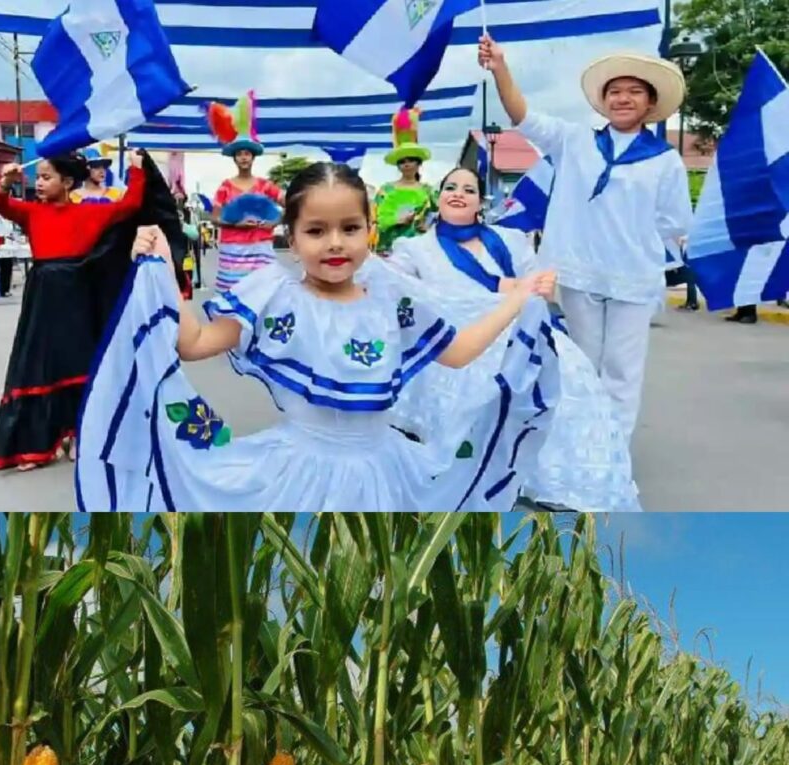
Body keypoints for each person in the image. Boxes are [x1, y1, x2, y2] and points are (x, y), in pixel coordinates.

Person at [76, 162, 561, 512]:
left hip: (386, 473)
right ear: (290, 234)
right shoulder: (272, 294)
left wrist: (518, 302)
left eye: (349, 228)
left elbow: (457, 353)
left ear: (370, 231)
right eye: (316, 230)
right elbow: (195, 342)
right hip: (296, 473)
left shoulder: (391, 297)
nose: (334, 243)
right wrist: (161, 265)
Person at [386, 166, 640, 511]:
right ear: (439, 196)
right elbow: (396, 285)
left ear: (480, 202)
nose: (458, 193)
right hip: (464, 335)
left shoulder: (508, 239)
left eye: (468, 189)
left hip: (518, 325)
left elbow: (536, 282)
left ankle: (556, 474)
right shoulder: (416, 248)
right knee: (485, 376)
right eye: (450, 187)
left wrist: (537, 288)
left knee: (570, 373)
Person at [479, 34, 692, 446]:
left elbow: (673, 221)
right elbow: (523, 117)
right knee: (582, 366)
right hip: (579, 275)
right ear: (602, 100)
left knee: (622, 373)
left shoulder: (665, 160)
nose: (623, 98)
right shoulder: (574, 141)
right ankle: (577, 452)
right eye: (615, 91)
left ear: (650, 104)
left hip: (632, 280)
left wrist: (630, 241)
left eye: (634, 92)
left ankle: (611, 457)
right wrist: (501, 67)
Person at [0, 150, 152, 471]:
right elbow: (0, 205)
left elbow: (130, 206)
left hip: (78, 295)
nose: (39, 183)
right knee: (40, 363)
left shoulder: (90, 213)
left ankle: (80, 432)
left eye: (47, 177)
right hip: (43, 296)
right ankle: (37, 442)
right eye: (39, 177)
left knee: (80, 362)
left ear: (67, 182)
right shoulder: (33, 212)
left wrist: (136, 170)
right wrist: (5, 182)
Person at [208, 91, 284, 292]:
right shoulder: (225, 186)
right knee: (233, 295)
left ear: (253, 158)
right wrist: (236, 223)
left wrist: (275, 222)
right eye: (239, 154)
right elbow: (214, 217)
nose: (243, 158)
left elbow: (291, 203)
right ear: (234, 158)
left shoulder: (265, 185)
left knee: (263, 293)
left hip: (261, 249)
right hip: (233, 251)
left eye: (247, 154)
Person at [373, 109, 438, 253]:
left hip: (420, 250)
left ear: (419, 163)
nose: (407, 164)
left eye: (411, 160)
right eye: (402, 161)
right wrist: (396, 220)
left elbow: (440, 216)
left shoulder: (428, 191)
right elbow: (375, 220)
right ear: (398, 165)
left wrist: (429, 227)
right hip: (389, 249)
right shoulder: (386, 190)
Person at [0, 208, 23, 297]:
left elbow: (11, 232)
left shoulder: (8, 221)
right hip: (0, 247)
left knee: (9, 268)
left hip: (9, 246)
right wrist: (0, 237)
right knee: (3, 269)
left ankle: (7, 289)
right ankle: (2, 290)